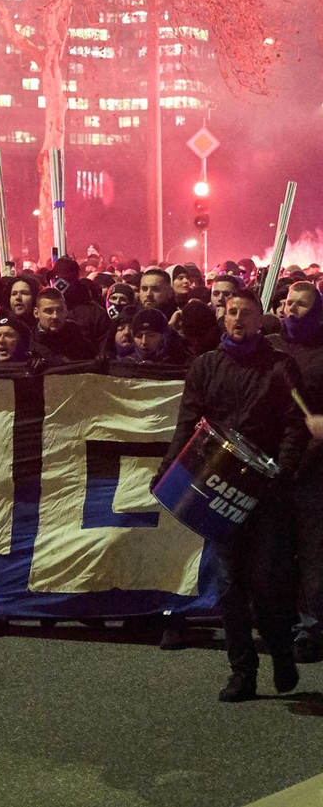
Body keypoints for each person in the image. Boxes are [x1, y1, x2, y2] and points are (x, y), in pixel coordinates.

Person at [155, 288, 310, 702]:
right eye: (231, 312)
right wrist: (168, 469)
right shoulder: (206, 365)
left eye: (246, 313)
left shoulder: (280, 366)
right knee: (229, 584)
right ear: (223, 318)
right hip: (219, 487)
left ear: (261, 322)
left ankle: (280, 653)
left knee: (266, 581)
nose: (238, 318)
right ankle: (242, 671)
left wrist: (283, 470)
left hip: (265, 492)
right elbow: (188, 423)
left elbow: (296, 424)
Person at [281, 280, 323, 663]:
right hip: (273, 464)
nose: (291, 310)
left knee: (312, 553)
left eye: (302, 305)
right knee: (276, 550)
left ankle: (310, 627)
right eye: (288, 302)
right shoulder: (273, 347)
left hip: (312, 468)